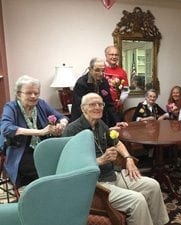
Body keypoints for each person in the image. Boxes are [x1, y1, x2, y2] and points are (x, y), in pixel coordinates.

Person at [62, 92, 169, 225]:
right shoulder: (72, 130)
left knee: (153, 185)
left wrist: (128, 158)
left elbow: (117, 143)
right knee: (138, 200)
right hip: (94, 184)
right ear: (83, 108)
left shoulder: (100, 124)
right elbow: (69, 166)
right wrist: (101, 160)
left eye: (100, 104)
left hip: (113, 175)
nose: (98, 107)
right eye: (92, 104)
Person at [0, 75, 68, 188]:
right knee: (41, 169)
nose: (33, 96)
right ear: (18, 94)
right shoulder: (11, 107)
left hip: (43, 148)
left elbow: (62, 117)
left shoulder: (41, 104)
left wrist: (61, 125)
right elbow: (6, 128)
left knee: (62, 162)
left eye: (36, 93)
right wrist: (40, 132)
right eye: (29, 93)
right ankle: (39, 193)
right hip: (21, 151)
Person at [71, 57, 120, 127]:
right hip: (83, 121)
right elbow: (80, 108)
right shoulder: (81, 83)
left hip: (100, 120)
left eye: (103, 70)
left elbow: (109, 104)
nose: (101, 73)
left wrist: (117, 121)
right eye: (97, 70)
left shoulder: (104, 81)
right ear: (90, 69)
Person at [104, 45, 130, 113]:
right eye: (111, 54)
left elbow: (126, 89)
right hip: (102, 107)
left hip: (116, 108)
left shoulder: (122, 72)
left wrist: (121, 100)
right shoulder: (101, 69)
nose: (114, 57)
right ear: (106, 56)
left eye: (116, 55)